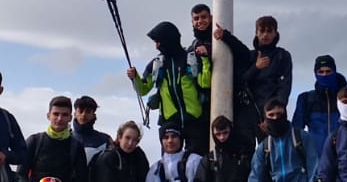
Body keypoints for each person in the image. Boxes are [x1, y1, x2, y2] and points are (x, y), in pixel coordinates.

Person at [129, 21, 211, 157]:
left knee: (196, 161)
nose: (157, 46)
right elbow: (143, 90)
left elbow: (205, 83)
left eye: (158, 42)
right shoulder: (157, 64)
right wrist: (135, 78)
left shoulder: (191, 58)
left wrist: (205, 60)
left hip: (194, 121)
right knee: (170, 164)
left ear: (168, 40)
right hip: (170, 123)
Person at [213, 15, 294, 141]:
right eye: (262, 31)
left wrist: (273, 114)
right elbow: (241, 81)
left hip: (272, 112)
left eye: (269, 31)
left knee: (273, 148)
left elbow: (285, 86)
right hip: (248, 111)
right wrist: (256, 67)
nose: (265, 35)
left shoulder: (282, 56)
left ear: (275, 33)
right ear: (256, 32)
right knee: (246, 149)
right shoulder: (250, 56)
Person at [291, 55, 345, 182]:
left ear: (335, 71)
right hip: (317, 169)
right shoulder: (306, 99)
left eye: (328, 71)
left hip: (344, 167)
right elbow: (295, 133)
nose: (324, 75)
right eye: (320, 72)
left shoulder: (346, 98)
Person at [72, 96, 111, 161]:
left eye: (88, 111)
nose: (84, 114)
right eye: (80, 111)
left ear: (93, 115)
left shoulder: (105, 140)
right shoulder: (65, 138)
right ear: (75, 114)